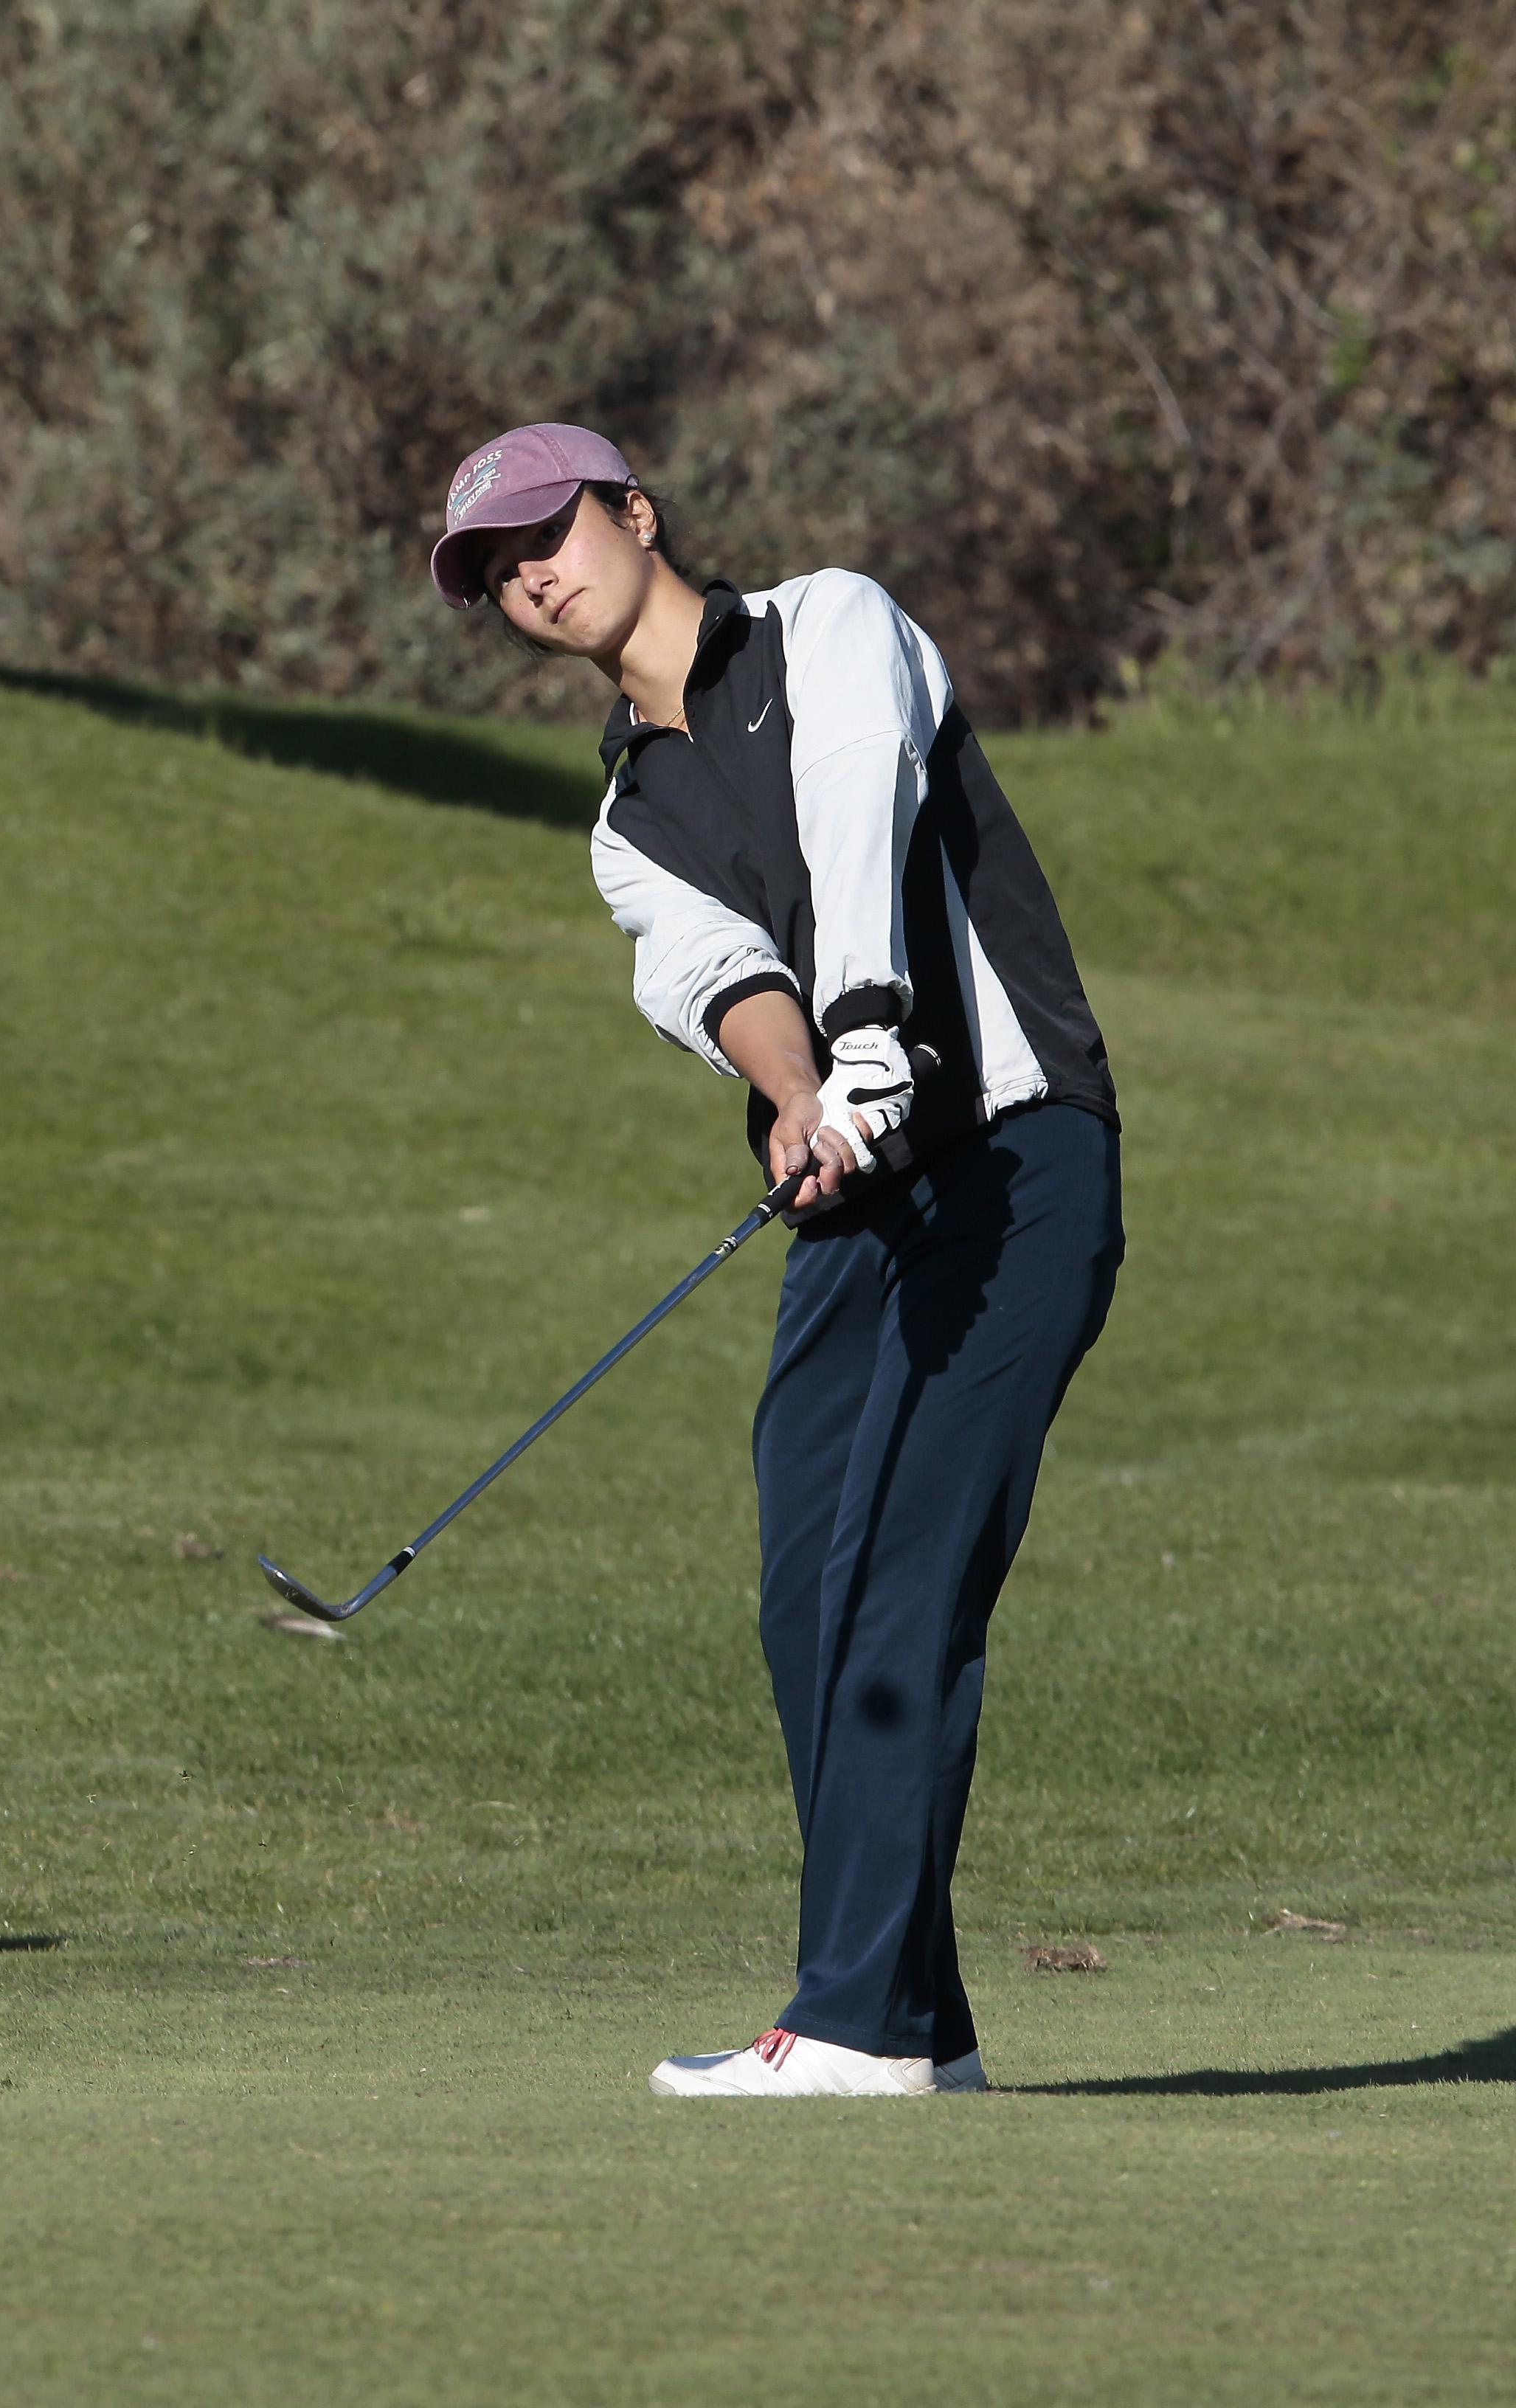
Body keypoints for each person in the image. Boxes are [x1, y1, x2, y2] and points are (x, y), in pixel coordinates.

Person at [430, 423, 1124, 2097]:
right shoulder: (627, 820)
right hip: (859, 1195)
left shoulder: (831, 623)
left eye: (551, 527)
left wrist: (876, 1029)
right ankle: (920, 2017)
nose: (532, 571)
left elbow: (859, 803)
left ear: (635, 512)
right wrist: (807, 1089)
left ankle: (854, 2027)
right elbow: (717, 970)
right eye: (496, 566)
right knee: (806, 1578)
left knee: (898, 1572)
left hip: (1018, 1157)